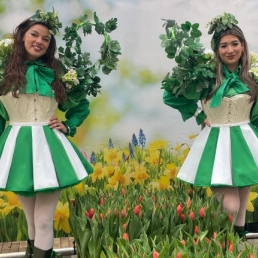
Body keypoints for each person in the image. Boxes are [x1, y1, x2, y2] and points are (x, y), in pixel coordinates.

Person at [0, 10, 93, 258]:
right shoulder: (2, 73)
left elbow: (81, 105)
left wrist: (68, 125)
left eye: (46, 38)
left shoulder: (57, 74)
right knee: (30, 219)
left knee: (42, 221)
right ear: (21, 36)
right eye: (34, 34)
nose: (40, 41)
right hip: (17, 148)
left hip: (50, 149)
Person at [163, 13, 258, 238]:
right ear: (216, 50)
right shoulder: (205, 76)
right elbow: (170, 94)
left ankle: (236, 240)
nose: (230, 50)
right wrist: (197, 115)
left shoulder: (252, 76)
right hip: (217, 145)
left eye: (235, 44)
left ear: (243, 46)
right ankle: (220, 238)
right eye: (224, 46)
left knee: (243, 200)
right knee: (231, 205)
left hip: (246, 140)